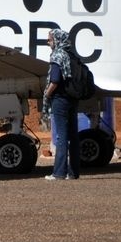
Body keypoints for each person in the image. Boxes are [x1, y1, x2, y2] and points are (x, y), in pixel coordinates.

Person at [41, 28, 79, 180]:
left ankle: (59, 173)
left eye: (50, 40)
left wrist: (47, 94)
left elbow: (55, 79)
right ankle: (74, 172)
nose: (48, 42)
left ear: (57, 40)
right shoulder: (71, 54)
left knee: (61, 136)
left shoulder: (57, 55)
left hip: (60, 99)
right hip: (72, 98)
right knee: (73, 136)